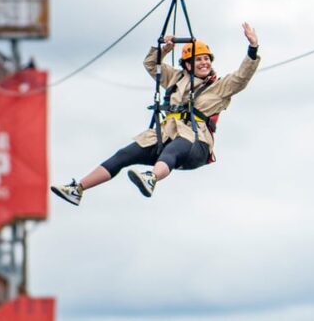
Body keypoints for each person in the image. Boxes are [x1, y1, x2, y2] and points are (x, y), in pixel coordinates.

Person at [51, 22, 260, 205]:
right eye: (199, 59)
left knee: (176, 148)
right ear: (187, 65)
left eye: (207, 59)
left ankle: (151, 177)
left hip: (196, 144)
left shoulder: (219, 87)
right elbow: (151, 64)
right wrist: (164, 50)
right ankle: (78, 189)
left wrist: (252, 48)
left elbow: (242, 77)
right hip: (165, 136)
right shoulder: (175, 78)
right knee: (124, 155)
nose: (205, 63)